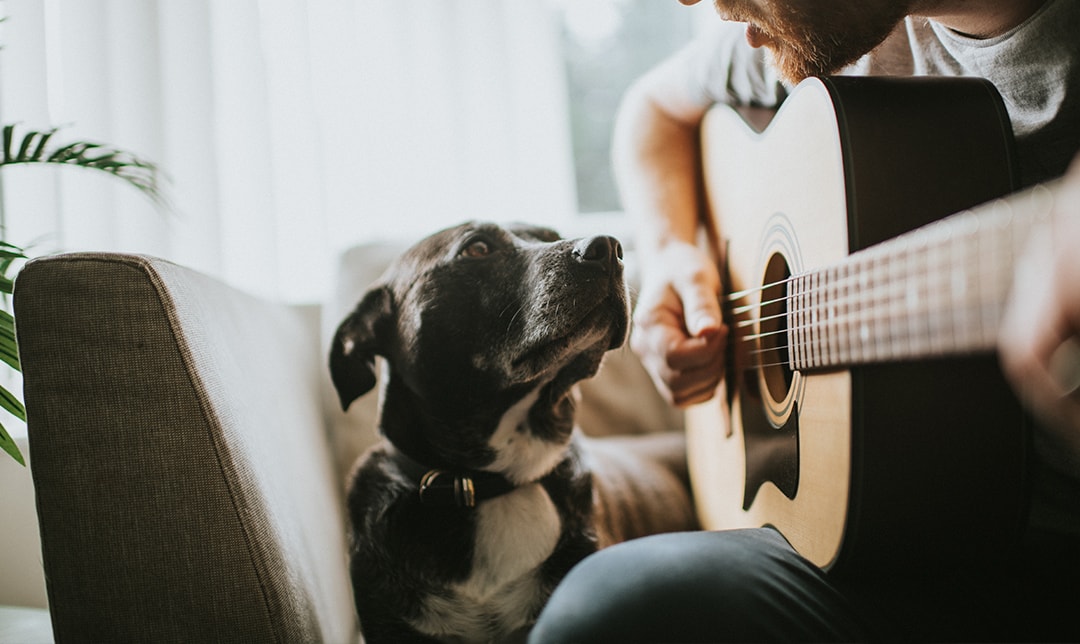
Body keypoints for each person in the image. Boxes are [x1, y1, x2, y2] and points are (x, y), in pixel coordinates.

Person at [528, 0, 1080, 641]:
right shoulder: (831, 27)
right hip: (891, 546)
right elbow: (652, 111)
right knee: (609, 610)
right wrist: (676, 253)